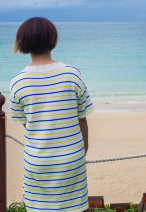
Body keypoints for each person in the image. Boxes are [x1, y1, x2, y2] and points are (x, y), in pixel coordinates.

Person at [10, 17, 94, 212]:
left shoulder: (17, 83)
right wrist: (83, 150)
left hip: (38, 160)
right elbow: (82, 118)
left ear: (23, 42)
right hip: (72, 158)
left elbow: (29, 126)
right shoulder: (72, 74)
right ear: (53, 40)